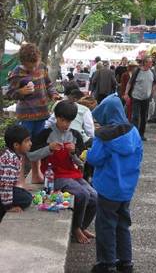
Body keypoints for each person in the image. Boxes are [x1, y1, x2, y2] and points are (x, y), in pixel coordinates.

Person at [27, 100, 97, 244]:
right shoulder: (46, 134)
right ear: (56, 117)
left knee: (95, 196)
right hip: (55, 176)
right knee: (82, 194)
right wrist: (49, 148)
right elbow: (31, 156)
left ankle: (82, 226)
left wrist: (74, 153)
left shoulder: (75, 135)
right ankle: (76, 228)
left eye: (69, 121)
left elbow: (82, 163)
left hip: (73, 174)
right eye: (62, 120)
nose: (65, 124)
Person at [87, 94, 143, 273]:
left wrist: (86, 154)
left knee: (105, 226)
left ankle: (107, 263)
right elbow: (139, 155)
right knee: (123, 224)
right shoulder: (133, 132)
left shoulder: (103, 136)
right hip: (127, 188)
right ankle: (125, 262)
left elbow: (95, 159)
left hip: (107, 187)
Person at [7, 43, 61, 184]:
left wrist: (54, 94)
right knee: (22, 148)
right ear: (23, 62)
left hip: (42, 114)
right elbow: (8, 93)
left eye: (34, 64)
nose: (33, 68)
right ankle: (20, 180)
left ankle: (36, 174)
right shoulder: (17, 72)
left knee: (37, 145)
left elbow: (48, 84)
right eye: (29, 66)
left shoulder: (42, 67)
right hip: (26, 117)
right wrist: (21, 92)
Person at [0, 125, 33, 222]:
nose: (30, 143)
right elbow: (5, 185)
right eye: (27, 141)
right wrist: (9, 206)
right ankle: (3, 207)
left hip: (4, 188)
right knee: (26, 199)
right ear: (16, 145)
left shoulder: (14, 155)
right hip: (2, 190)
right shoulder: (10, 161)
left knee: (25, 194)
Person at [124, 56, 156, 141]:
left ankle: (141, 134)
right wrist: (126, 93)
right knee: (135, 116)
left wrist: (152, 91)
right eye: (150, 62)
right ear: (145, 63)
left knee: (144, 116)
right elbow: (130, 83)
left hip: (146, 98)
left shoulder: (152, 72)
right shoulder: (137, 71)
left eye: (151, 62)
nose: (151, 64)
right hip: (136, 96)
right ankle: (134, 134)